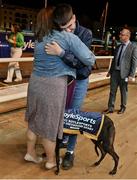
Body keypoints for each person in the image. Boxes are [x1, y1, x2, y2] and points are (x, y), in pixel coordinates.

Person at [24, 6, 95, 170]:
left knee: (33, 121)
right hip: (53, 85)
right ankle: (51, 161)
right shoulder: (67, 38)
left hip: (35, 83)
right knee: (50, 127)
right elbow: (90, 59)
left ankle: (30, 152)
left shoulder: (40, 38)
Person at [45, 3, 95, 170]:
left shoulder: (85, 33)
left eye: (69, 26)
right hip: (63, 80)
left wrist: (61, 53)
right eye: (63, 29)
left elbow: (82, 64)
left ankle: (70, 152)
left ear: (74, 17)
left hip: (80, 80)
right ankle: (58, 143)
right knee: (60, 114)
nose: (67, 31)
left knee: (73, 115)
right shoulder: (60, 32)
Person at [104, 27, 137, 114]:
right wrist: (110, 71)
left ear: (127, 36)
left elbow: (134, 62)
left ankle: (123, 107)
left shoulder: (133, 47)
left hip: (125, 74)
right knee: (112, 91)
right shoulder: (118, 46)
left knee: (123, 91)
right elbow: (115, 60)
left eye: (122, 35)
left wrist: (132, 75)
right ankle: (110, 107)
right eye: (120, 34)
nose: (120, 36)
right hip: (115, 72)